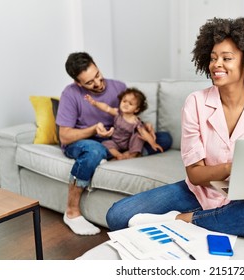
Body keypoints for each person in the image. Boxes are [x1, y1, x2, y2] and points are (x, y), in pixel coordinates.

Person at [106, 17, 244, 239]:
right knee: (118, 216)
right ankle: (220, 219)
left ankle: (182, 220)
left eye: (227, 58)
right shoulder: (196, 102)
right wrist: (232, 168)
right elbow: (196, 174)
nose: (216, 65)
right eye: (213, 58)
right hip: (200, 191)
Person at [56, 52, 172, 235]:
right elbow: (65, 137)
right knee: (94, 150)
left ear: (96, 65)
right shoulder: (70, 94)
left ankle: (112, 155)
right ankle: (71, 212)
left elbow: (127, 117)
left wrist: (143, 126)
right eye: (89, 82)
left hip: (117, 139)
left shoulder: (118, 86)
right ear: (78, 83)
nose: (97, 82)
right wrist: (94, 129)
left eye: (97, 74)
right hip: (85, 141)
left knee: (164, 138)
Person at [84, 87, 164, 160]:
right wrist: (94, 103)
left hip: (128, 144)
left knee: (138, 136)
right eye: (124, 101)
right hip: (115, 141)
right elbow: (106, 108)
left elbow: (144, 133)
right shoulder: (118, 113)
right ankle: (119, 155)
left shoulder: (136, 121)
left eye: (130, 104)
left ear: (136, 109)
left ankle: (132, 153)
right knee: (105, 144)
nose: (126, 104)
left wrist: (153, 143)